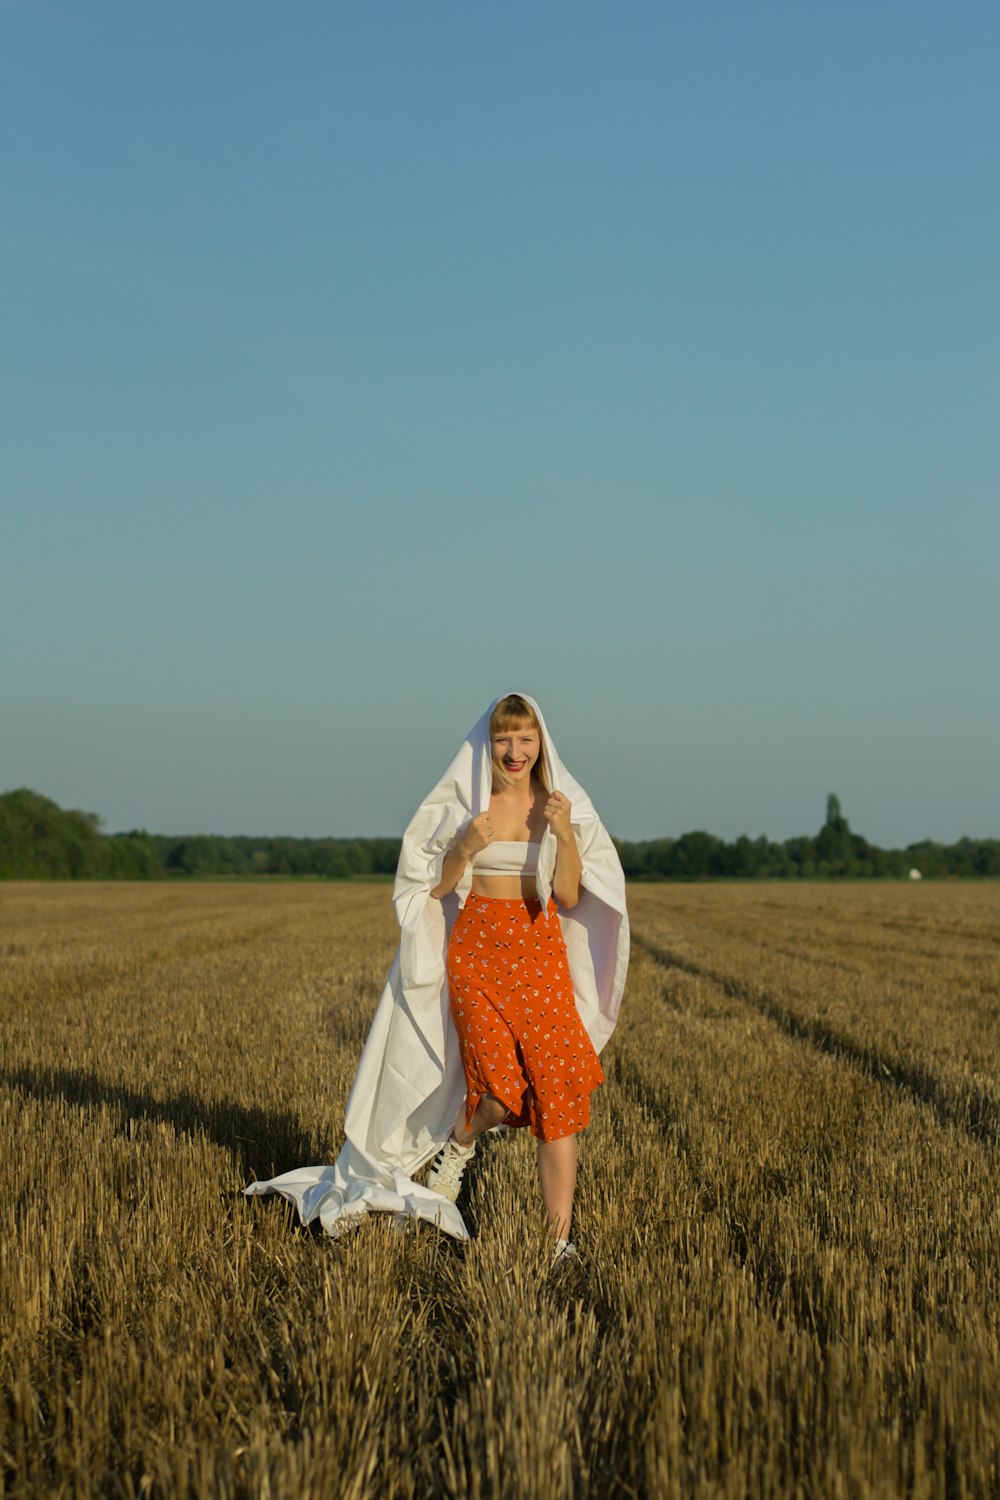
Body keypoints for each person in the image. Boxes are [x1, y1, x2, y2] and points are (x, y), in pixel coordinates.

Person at [245, 692, 629, 1260]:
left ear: (541, 743)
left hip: (539, 956)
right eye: (505, 739)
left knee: (556, 1098)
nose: (515, 750)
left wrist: (567, 834)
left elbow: (569, 894)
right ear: (488, 743)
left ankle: (558, 1242)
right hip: (475, 953)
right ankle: (458, 1150)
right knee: (496, 1092)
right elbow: (440, 888)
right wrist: (466, 848)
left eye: (526, 739)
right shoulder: (467, 804)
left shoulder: (556, 806)